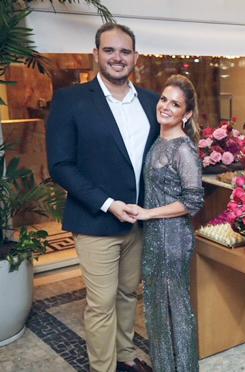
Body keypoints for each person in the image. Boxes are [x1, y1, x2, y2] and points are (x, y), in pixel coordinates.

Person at [46, 23, 158, 372]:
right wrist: (109, 204)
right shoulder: (71, 100)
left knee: (128, 294)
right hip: (96, 220)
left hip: (138, 221)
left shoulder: (153, 102)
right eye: (109, 50)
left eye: (125, 52)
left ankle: (125, 354)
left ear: (135, 57)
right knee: (101, 302)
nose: (117, 58)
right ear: (96, 54)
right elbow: (61, 165)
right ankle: (103, 367)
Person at [127, 74, 204, 372]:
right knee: (157, 309)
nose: (166, 107)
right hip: (155, 239)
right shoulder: (158, 140)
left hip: (174, 240)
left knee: (178, 311)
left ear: (186, 114)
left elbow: (193, 202)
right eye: (163, 99)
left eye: (176, 104)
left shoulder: (184, 149)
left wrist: (147, 213)